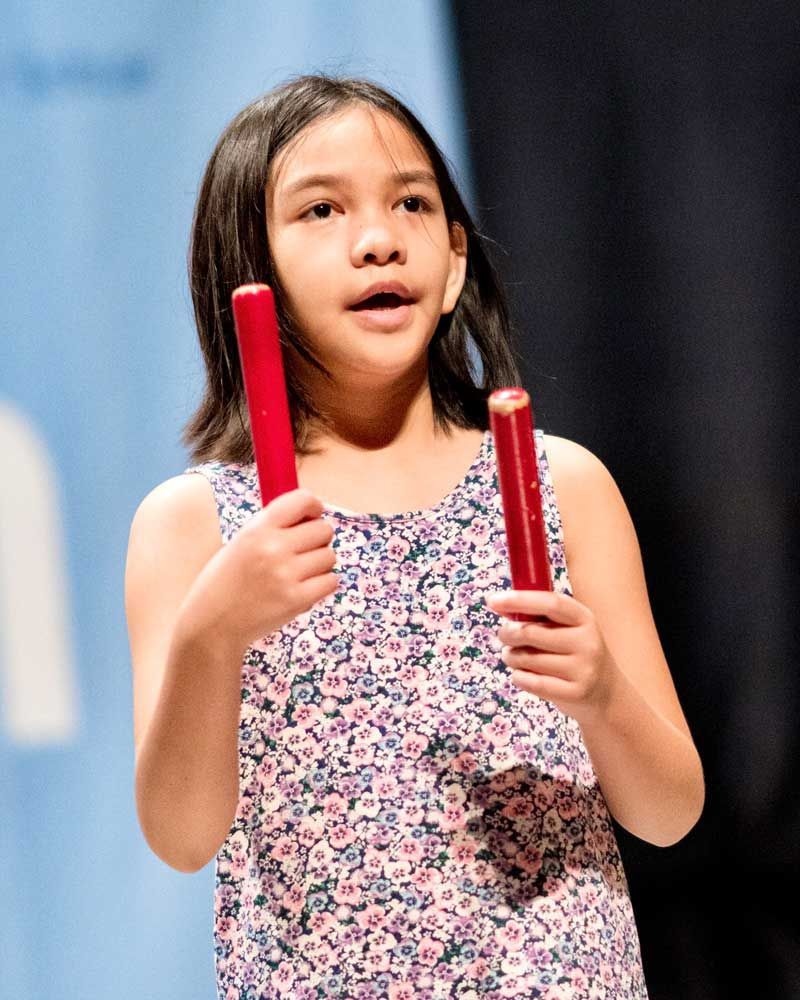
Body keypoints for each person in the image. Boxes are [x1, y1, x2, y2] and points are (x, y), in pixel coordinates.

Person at [125, 74, 704, 1000]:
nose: (380, 237)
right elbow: (182, 837)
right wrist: (212, 632)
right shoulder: (193, 525)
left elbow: (671, 810)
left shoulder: (565, 486)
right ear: (248, 275)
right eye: (321, 207)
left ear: (456, 264)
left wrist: (600, 692)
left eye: (412, 202)